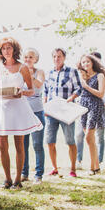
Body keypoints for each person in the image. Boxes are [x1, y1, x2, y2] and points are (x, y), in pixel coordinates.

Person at [0, 37, 43, 189]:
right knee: (2, 145)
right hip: (1, 109)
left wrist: (21, 92)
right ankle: (7, 179)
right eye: (3, 48)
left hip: (18, 108)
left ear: (14, 50)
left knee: (19, 144)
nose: (6, 51)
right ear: (0, 51)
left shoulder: (22, 68)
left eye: (9, 48)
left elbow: (31, 90)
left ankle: (18, 180)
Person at [44, 48, 82, 178]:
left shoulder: (71, 72)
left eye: (59, 56)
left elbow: (79, 88)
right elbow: (45, 91)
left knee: (70, 141)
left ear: (64, 57)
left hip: (66, 112)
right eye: (54, 56)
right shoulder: (49, 73)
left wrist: (70, 99)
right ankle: (54, 168)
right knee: (50, 141)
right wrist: (45, 106)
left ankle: (73, 169)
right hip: (51, 112)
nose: (56, 58)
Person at [75, 52, 105, 169]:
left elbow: (101, 94)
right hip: (83, 107)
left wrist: (86, 86)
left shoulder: (100, 76)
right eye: (83, 62)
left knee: (89, 136)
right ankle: (95, 167)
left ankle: (94, 166)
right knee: (90, 140)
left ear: (93, 62)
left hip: (95, 106)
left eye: (88, 61)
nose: (86, 63)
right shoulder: (82, 76)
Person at [21, 48, 45, 184]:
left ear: (36, 59)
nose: (28, 59)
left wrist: (30, 75)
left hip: (37, 112)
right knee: (23, 145)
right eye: (26, 57)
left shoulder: (39, 72)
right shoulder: (20, 72)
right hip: (23, 112)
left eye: (31, 57)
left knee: (37, 144)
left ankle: (38, 174)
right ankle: (24, 173)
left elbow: (39, 84)